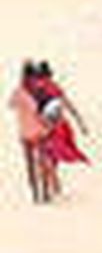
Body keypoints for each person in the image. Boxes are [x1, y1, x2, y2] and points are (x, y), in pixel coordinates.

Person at [30, 61, 90, 199]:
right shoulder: (40, 91)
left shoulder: (50, 90)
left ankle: (54, 192)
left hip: (54, 130)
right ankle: (54, 191)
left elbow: (65, 107)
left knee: (47, 161)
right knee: (47, 162)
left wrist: (81, 123)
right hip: (49, 129)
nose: (41, 81)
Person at [9, 62, 47, 204]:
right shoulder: (37, 90)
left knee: (32, 164)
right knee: (37, 163)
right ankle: (40, 194)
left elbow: (11, 105)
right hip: (36, 130)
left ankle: (39, 194)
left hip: (28, 131)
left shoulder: (20, 91)